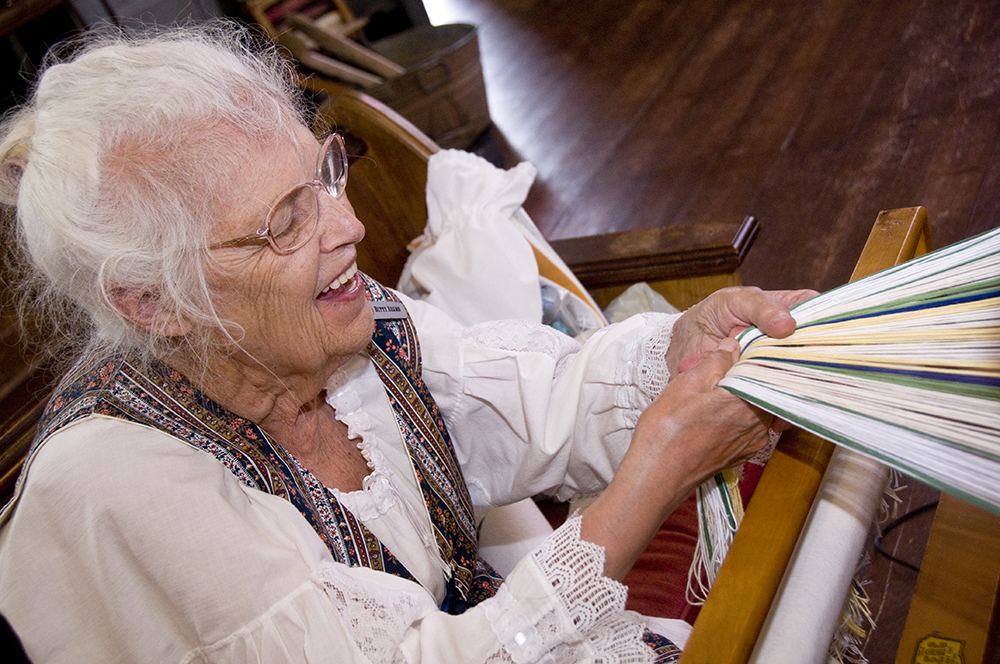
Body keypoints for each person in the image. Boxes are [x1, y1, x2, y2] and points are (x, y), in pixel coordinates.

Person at [0, 22, 812, 664]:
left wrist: (678, 354)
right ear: (151, 302)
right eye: (286, 220)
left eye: (323, 174)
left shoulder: (341, 327)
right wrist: (660, 468)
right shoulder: (117, 490)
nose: (349, 227)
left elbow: (540, 402)